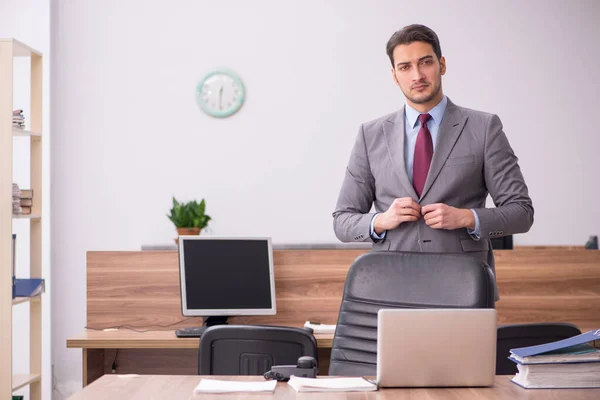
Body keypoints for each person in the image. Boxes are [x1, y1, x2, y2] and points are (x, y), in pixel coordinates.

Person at [332, 24, 534, 299]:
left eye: (425, 62)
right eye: (405, 67)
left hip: (466, 287)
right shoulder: (370, 135)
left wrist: (466, 217)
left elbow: (521, 213)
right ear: (394, 76)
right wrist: (381, 220)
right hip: (390, 288)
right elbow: (343, 222)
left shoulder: (484, 127)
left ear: (442, 65)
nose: (417, 75)